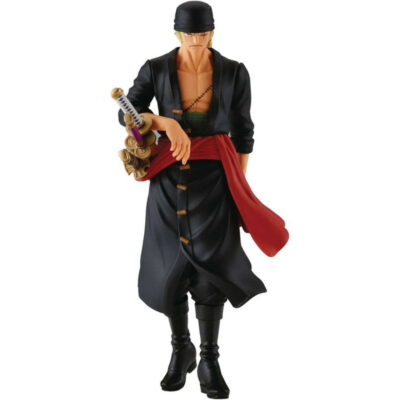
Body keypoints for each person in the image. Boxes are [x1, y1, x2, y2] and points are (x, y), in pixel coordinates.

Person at [117, 1, 289, 398]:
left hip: (216, 178)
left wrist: (237, 185)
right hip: (167, 177)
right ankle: (181, 349)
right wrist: (166, 123)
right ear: (176, 33)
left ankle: (210, 357)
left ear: (212, 33)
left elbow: (243, 132)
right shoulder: (156, 68)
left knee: (213, 266)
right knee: (169, 266)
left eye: (203, 33)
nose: (196, 40)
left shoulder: (233, 72)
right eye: (189, 34)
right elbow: (128, 114)